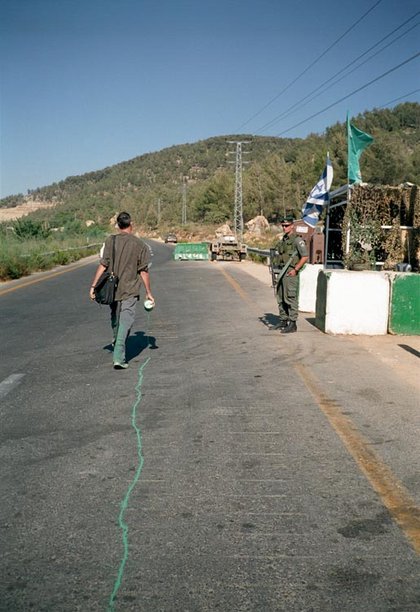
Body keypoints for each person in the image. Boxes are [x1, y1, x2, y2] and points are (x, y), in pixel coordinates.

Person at [89, 212, 154, 369]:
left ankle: (116, 339)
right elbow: (143, 271)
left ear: (118, 225)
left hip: (112, 288)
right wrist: (148, 292)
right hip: (130, 288)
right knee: (127, 318)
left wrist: (93, 286)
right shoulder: (140, 245)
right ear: (131, 224)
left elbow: (103, 264)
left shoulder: (110, 240)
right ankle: (119, 355)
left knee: (115, 316)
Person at [272, 215, 308, 333]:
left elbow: (305, 256)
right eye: (283, 225)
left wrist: (296, 269)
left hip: (291, 273)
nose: (284, 228)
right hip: (282, 272)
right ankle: (283, 320)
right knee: (281, 296)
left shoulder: (297, 240)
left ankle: (293, 324)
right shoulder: (284, 240)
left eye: (286, 225)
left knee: (291, 297)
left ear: (292, 226)